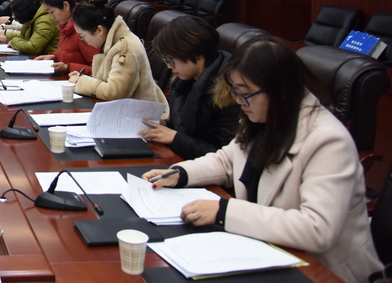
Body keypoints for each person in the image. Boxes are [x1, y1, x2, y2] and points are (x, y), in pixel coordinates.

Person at [143, 37, 381, 283]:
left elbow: (317, 228)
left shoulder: (328, 141)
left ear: (280, 90)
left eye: (245, 94)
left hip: (320, 269)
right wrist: (180, 173)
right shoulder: (264, 116)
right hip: (264, 249)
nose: (238, 101)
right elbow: (227, 160)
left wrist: (225, 211)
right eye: (236, 92)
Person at [138, 16, 240, 159]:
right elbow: (185, 127)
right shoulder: (184, 81)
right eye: (166, 60)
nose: (169, 66)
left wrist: (176, 138)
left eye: (171, 60)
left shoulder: (228, 93)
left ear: (196, 53)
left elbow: (226, 157)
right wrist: (163, 125)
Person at [69, 0, 168, 112]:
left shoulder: (125, 48)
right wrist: (84, 79)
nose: (83, 41)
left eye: (82, 36)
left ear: (99, 30)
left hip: (140, 115)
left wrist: (80, 82)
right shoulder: (113, 41)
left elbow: (115, 92)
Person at [34, 0, 99, 75]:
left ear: (66, 5)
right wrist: (54, 57)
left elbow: (98, 70)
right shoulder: (65, 24)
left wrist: (68, 67)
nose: (51, 17)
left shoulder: (84, 28)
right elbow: (70, 54)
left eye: (52, 12)